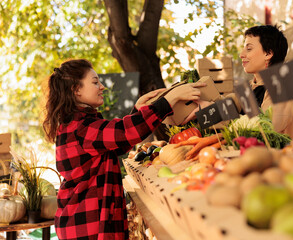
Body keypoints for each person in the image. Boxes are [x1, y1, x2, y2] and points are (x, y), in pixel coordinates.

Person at [42, 59, 206, 240]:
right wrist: (169, 100)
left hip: (85, 223)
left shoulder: (79, 124)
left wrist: (137, 111)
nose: (102, 87)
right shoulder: (80, 127)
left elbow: (118, 142)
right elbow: (124, 132)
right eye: (95, 82)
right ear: (76, 89)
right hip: (87, 228)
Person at [240, 25, 293, 139]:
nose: (242, 54)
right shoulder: (251, 87)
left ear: (268, 54)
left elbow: (264, 129)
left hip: (277, 156)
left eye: (249, 48)